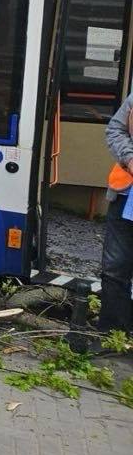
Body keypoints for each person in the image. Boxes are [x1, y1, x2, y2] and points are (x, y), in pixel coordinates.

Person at [100, 91, 133, 333]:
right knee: (114, 269)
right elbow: (115, 130)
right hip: (125, 197)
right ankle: (112, 337)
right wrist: (130, 159)